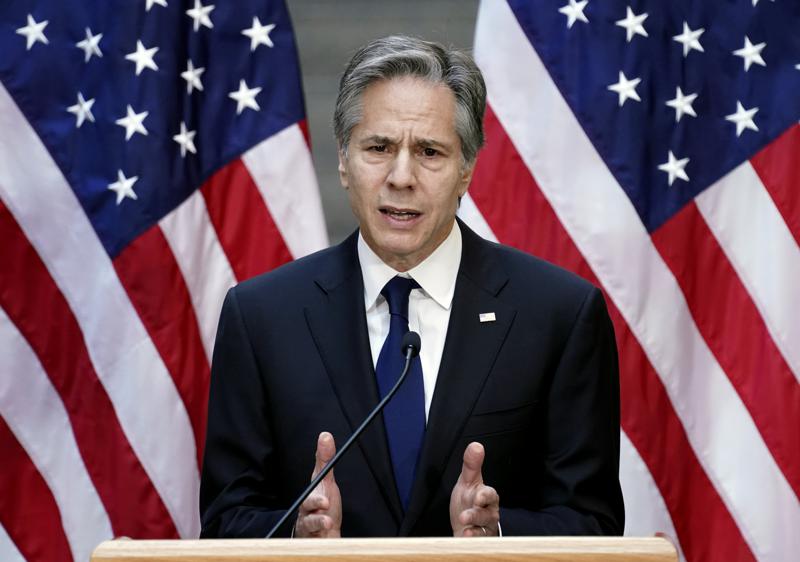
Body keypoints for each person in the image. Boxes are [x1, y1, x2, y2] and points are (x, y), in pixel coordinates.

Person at [200, 35, 624, 539]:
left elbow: (593, 524)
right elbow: (226, 522)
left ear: (466, 169)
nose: (401, 176)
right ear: (343, 160)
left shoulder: (558, 315)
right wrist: (296, 535)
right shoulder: (262, 318)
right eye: (378, 148)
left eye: (429, 152)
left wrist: (498, 532)